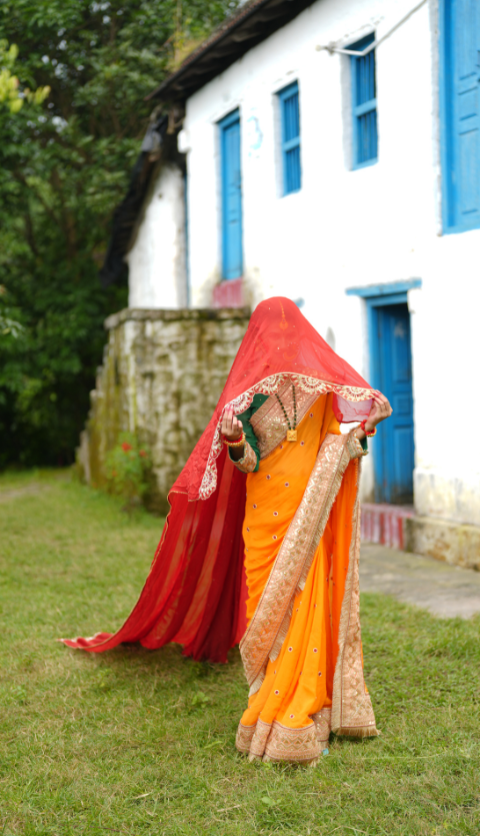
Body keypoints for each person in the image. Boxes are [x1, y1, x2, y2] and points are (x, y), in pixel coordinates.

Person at [63, 297, 392, 765]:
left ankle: (302, 707)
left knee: (306, 605)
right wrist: (236, 438)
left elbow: (338, 445)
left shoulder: (320, 391)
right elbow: (248, 461)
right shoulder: (251, 392)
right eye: (272, 334)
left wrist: (364, 430)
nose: (281, 341)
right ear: (260, 339)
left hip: (308, 514)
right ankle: (270, 699)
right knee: (267, 612)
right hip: (264, 518)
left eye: (288, 332)